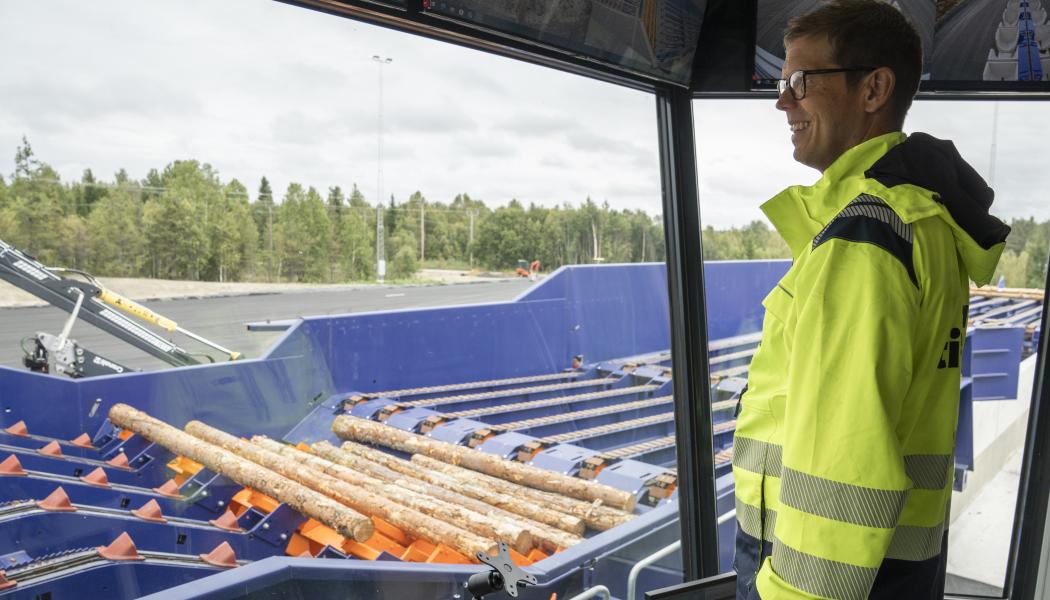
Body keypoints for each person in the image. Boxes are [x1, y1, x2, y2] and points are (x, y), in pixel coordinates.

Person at [731, 2, 1011, 599]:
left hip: (815, 576)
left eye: (799, 81)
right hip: (895, 565)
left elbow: (841, 452)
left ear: (874, 89)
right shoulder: (922, 220)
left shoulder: (865, 239)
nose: (782, 102)